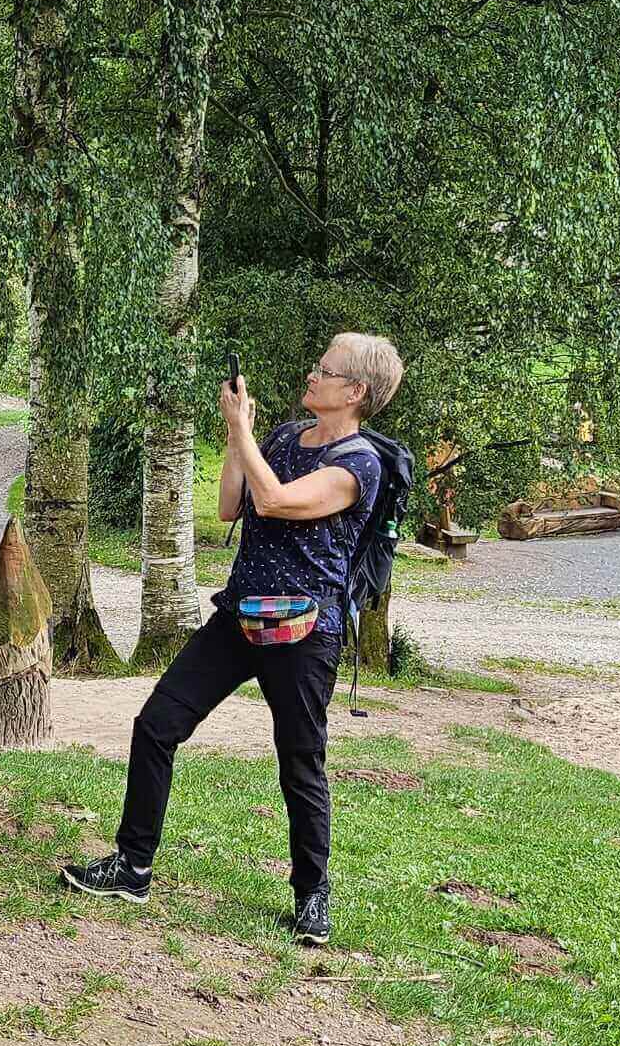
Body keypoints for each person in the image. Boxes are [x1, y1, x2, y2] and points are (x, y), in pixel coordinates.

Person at [60, 332, 404, 946]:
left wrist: (242, 431)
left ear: (355, 393)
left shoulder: (359, 464)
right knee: (156, 724)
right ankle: (132, 868)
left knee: (300, 762)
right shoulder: (280, 439)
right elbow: (230, 506)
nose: (312, 375)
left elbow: (273, 502)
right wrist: (236, 436)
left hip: (304, 631)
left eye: (324, 371)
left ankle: (311, 897)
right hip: (239, 617)